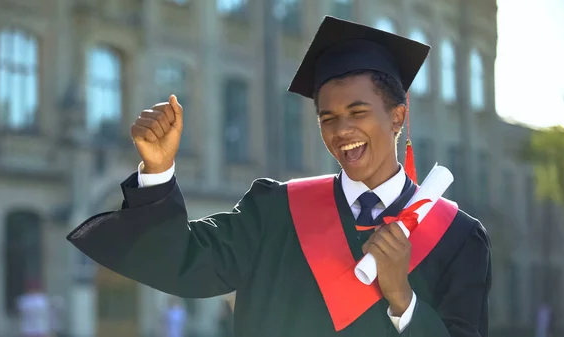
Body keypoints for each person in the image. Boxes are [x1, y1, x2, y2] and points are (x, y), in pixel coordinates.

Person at [68, 16, 491, 337]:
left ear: (397, 116)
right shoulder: (276, 213)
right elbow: (183, 261)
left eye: (358, 113)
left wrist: (402, 298)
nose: (341, 131)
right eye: (328, 118)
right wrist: (158, 170)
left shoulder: (455, 237)